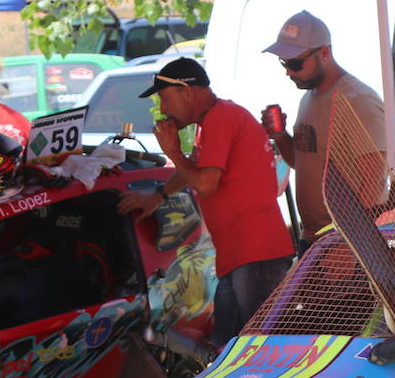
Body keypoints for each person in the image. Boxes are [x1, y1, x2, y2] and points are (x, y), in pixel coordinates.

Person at [117, 58, 293, 346]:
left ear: (187, 92)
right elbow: (196, 171)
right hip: (240, 255)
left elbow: (205, 184)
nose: (162, 109)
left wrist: (173, 151)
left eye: (164, 99)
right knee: (226, 348)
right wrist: (159, 195)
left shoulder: (221, 118)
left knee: (261, 348)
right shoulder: (214, 119)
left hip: (255, 254)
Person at [262, 10, 386, 249]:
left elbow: (375, 179)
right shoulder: (310, 96)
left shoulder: (357, 99)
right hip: (315, 238)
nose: (288, 71)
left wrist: (349, 245)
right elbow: (304, 162)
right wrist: (279, 135)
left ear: (325, 53)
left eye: (295, 63)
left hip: (343, 243)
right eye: (284, 63)